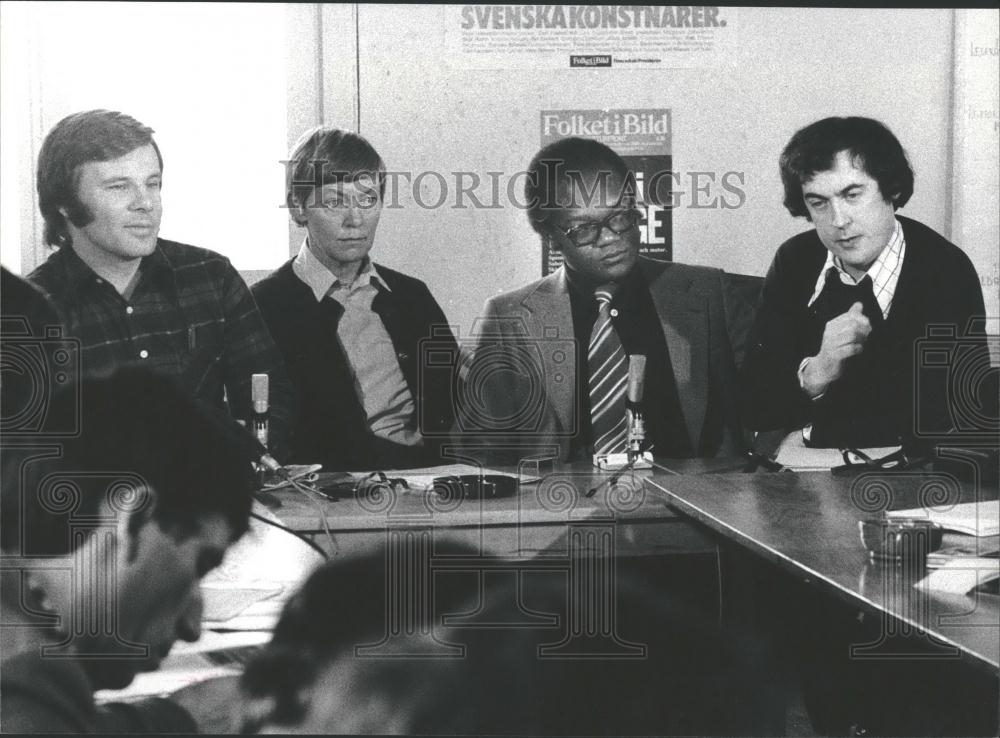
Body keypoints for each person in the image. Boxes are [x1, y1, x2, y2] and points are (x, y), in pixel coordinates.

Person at [27, 109, 293, 460]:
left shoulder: (211, 277)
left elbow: (274, 404)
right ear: (64, 203)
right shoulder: (31, 310)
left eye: (152, 183)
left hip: (209, 501)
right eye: (119, 186)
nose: (146, 203)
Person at [0, 367, 255, 732]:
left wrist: (180, 719)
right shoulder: (22, 677)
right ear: (132, 519)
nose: (192, 627)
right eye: (200, 565)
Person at [460, 137, 743, 463]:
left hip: (690, 502)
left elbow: (762, 416)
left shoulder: (706, 293)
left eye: (621, 217)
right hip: (565, 506)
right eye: (583, 229)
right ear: (550, 237)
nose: (610, 238)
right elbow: (482, 452)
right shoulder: (508, 317)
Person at [741, 116, 990, 450]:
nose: (839, 220)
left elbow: (947, 422)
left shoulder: (945, 270)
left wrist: (811, 431)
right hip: (801, 481)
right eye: (819, 202)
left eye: (852, 194)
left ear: (892, 189)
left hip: (908, 483)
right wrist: (817, 372)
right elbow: (755, 409)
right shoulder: (795, 261)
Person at [252, 127, 459, 471]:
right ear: (298, 207)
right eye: (334, 202)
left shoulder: (412, 297)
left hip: (432, 485)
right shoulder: (263, 306)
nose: (355, 219)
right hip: (328, 497)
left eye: (368, 199)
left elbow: (455, 410)